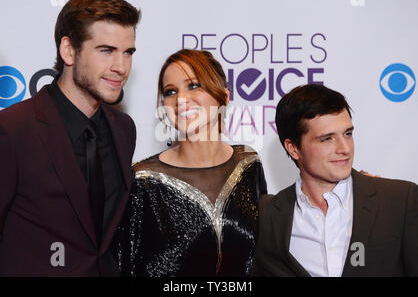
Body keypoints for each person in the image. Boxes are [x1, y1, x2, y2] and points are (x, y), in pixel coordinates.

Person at [0, 0, 141, 276]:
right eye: (106, 50)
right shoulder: (13, 130)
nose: (121, 67)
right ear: (68, 51)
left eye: (128, 52)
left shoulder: (123, 129)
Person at [114, 49, 268, 276]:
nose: (181, 100)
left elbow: (262, 259)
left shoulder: (248, 164)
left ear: (223, 97)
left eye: (193, 85)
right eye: (170, 91)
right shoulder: (142, 181)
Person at [252, 84, 418, 277]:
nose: (345, 148)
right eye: (327, 139)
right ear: (293, 149)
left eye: (347, 133)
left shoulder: (399, 201)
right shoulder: (266, 217)